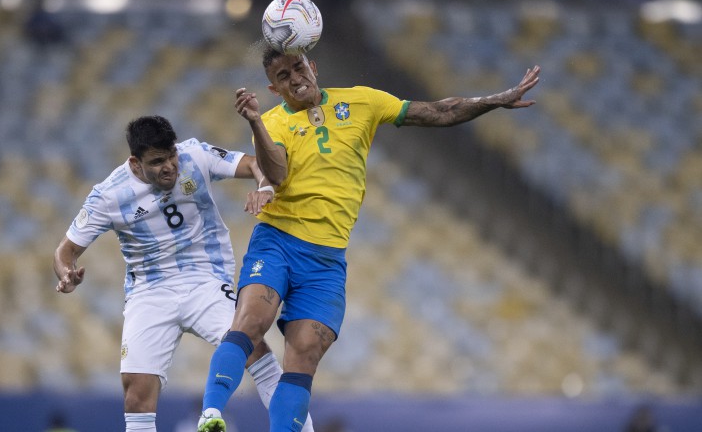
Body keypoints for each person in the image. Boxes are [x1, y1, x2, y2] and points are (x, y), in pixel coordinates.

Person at [196, 46, 541, 432]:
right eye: (283, 76)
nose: (295, 78)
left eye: (298, 67)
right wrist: (256, 123)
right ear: (274, 89)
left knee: (305, 353)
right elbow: (275, 175)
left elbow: (440, 112)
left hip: (326, 259)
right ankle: (211, 414)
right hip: (278, 240)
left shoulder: (362, 101)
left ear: (313, 65)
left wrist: (496, 100)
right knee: (251, 320)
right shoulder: (274, 123)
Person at [53, 115, 314, 432]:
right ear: (136, 164)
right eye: (158, 161)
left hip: (205, 280)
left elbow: (254, 164)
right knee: (136, 393)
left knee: (254, 349)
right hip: (149, 293)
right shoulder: (108, 195)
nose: (170, 166)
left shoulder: (196, 155)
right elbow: (65, 251)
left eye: (171, 155)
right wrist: (66, 273)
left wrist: (263, 185)